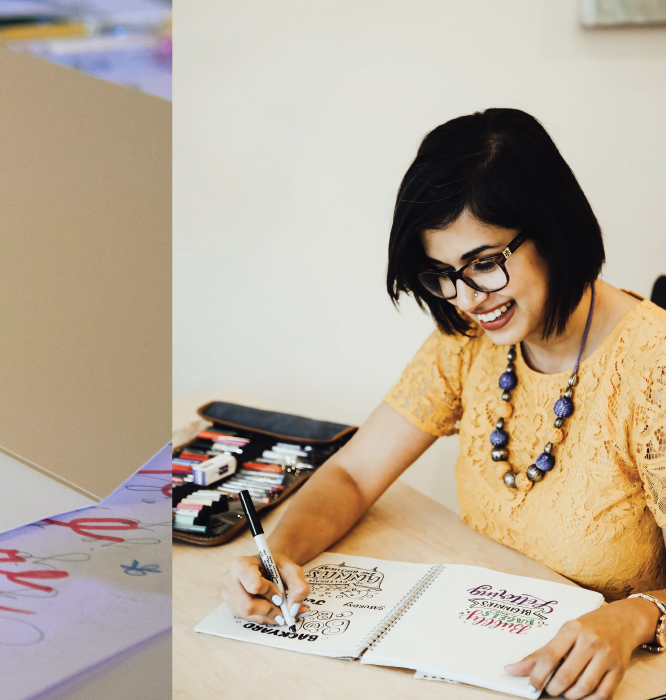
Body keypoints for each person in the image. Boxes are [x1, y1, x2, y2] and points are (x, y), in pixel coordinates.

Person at [219, 108, 666, 700]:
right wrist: (280, 554)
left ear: (555, 230)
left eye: (484, 264)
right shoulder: (470, 340)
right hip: (486, 654)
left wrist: (635, 615)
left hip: (612, 675)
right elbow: (353, 472)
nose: (465, 299)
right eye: (440, 275)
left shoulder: (651, 368)